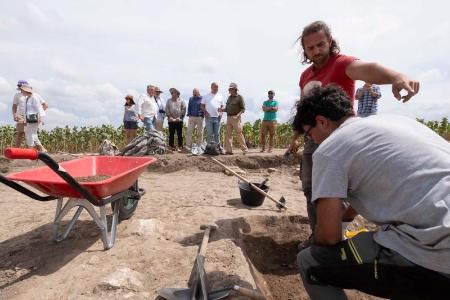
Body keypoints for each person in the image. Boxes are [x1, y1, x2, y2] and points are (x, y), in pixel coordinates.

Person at [294, 85, 450, 300]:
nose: (312, 140)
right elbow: (378, 184)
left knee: (309, 261)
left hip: (438, 250)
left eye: (309, 133)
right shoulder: (396, 122)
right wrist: (345, 220)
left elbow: (329, 237)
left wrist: (318, 241)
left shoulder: (330, 149)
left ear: (321, 121)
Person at [288, 20, 420, 242]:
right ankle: (318, 237)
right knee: (312, 190)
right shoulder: (305, 76)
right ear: (305, 51)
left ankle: (334, 237)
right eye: (310, 48)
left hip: (341, 139)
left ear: (330, 42)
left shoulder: (341, 64)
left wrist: (395, 77)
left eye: (320, 45)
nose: (316, 51)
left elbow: (369, 69)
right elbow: (304, 112)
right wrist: (297, 137)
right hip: (314, 139)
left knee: (347, 190)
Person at [12, 80, 48, 147]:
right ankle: (17, 149)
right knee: (20, 132)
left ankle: (35, 149)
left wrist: (38, 115)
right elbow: (14, 106)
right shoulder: (17, 95)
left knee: (30, 133)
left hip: (32, 117)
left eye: (20, 86)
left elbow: (45, 105)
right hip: (21, 116)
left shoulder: (35, 96)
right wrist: (15, 115)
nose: (19, 87)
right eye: (19, 86)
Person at [18, 84, 46, 152]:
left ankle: (30, 149)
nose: (21, 92)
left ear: (25, 91)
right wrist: (25, 121)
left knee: (29, 133)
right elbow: (26, 111)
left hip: (35, 118)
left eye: (22, 91)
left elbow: (38, 108)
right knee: (32, 133)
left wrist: (40, 117)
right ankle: (42, 149)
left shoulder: (34, 97)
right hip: (29, 119)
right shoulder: (27, 98)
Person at [222, 83, 248, 155]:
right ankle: (229, 151)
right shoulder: (229, 98)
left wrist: (238, 115)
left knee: (239, 134)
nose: (229, 90)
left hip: (236, 118)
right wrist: (222, 110)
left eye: (230, 89)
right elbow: (226, 109)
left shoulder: (240, 97)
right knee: (228, 134)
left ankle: (245, 150)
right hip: (229, 118)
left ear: (235, 89)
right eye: (229, 89)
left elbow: (243, 109)